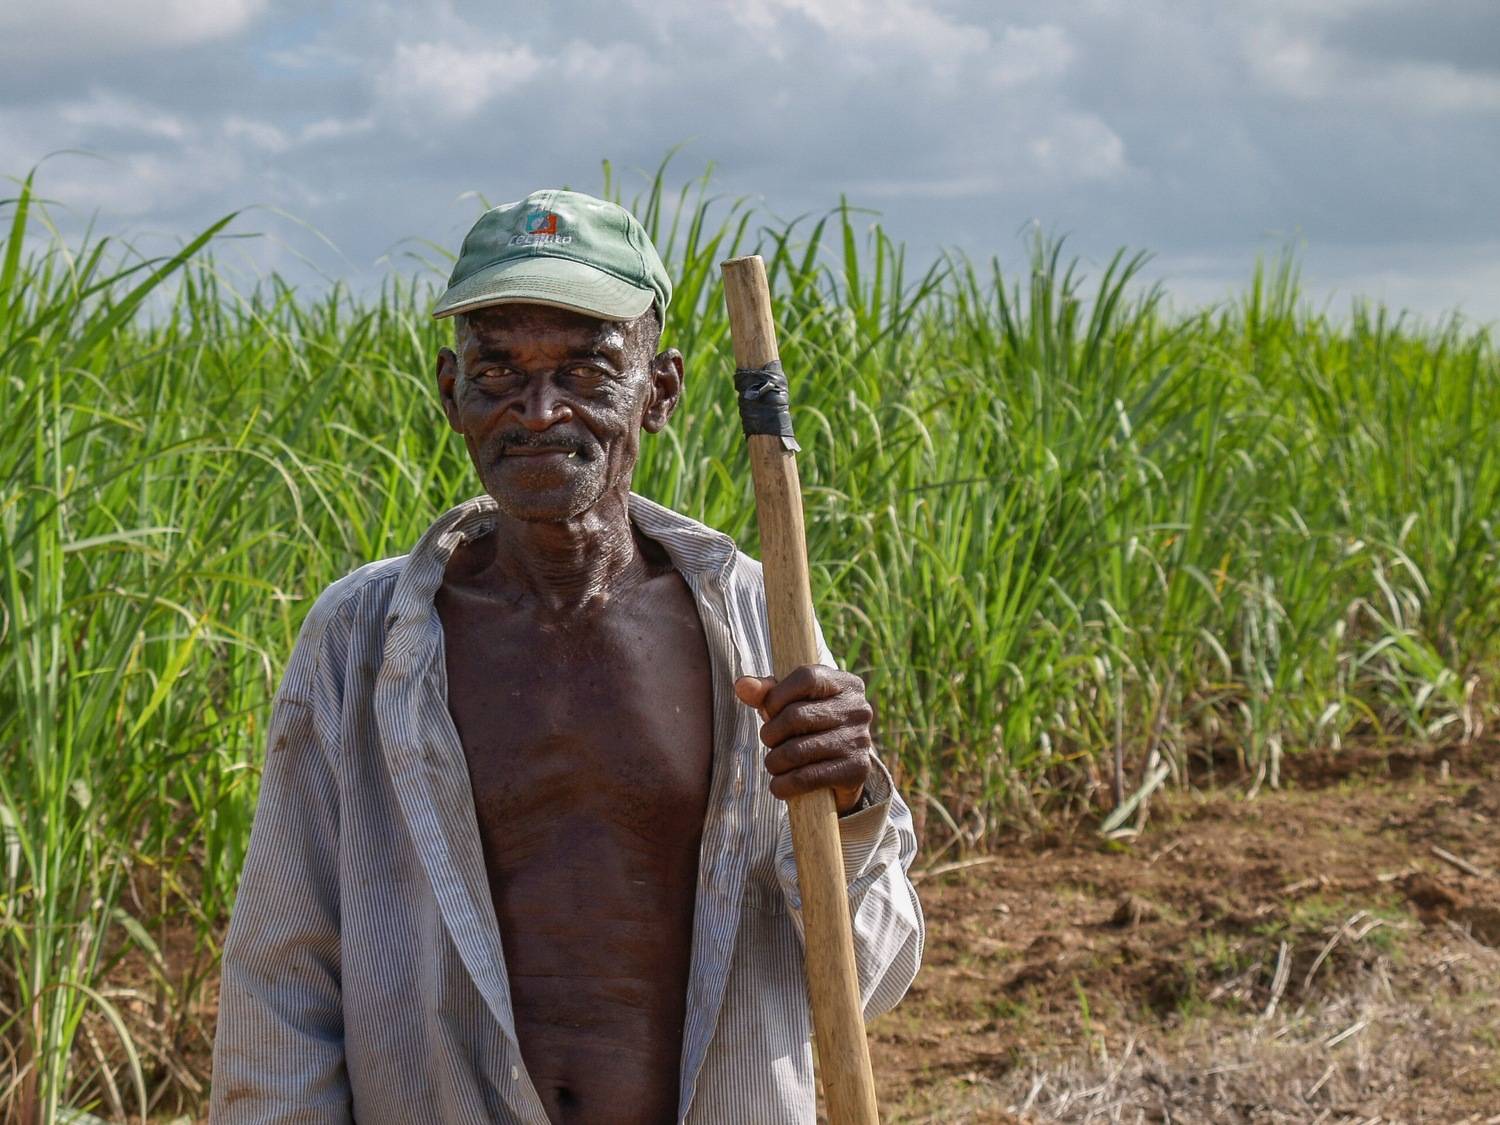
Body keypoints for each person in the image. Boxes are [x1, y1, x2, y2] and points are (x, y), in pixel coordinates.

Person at [210, 189, 924, 1125]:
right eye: (498, 371)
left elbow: (867, 972)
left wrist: (850, 801)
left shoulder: (756, 620)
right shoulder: (361, 639)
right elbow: (282, 983)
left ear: (658, 391)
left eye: (586, 371)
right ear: (449, 393)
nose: (539, 411)